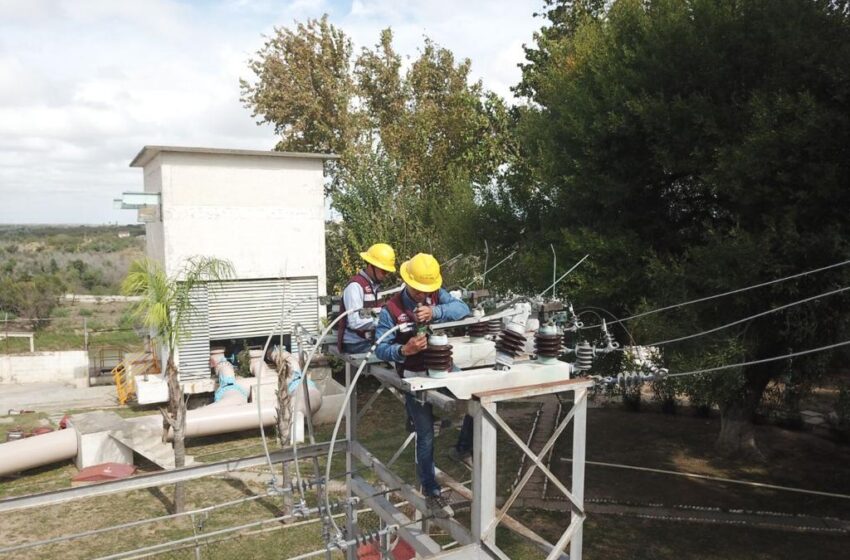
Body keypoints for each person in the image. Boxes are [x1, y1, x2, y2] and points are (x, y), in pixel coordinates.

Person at [375, 253, 471, 518]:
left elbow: (463, 309)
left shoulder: (436, 294)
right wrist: (403, 349)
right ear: (408, 282)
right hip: (414, 374)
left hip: (443, 367)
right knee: (426, 434)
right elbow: (380, 348)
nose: (423, 294)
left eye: (428, 290)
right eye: (419, 290)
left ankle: (462, 449)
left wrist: (436, 311)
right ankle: (431, 489)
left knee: (476, 397)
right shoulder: (391, 310)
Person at [338, 243, 396, 354]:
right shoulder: (355, 286)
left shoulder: (375, 287)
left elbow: (374, 313)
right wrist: (381, 321)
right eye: (384, 271)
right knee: (392, 354)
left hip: (371, 340)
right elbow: (354, 321)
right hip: (356, 343)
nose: (386, 275)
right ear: (371, 266)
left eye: (387, 272)